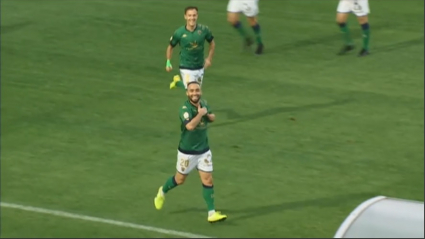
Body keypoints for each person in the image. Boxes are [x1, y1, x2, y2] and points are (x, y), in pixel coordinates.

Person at [154, 81, 227, 223]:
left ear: (201, 92)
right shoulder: (184, 108)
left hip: (204, 150)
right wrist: (200, 114)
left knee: (207, 179)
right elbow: (189, 126)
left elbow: (212, 117)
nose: (195, 93)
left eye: (197, 90)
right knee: (180, 180)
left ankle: (211, 213)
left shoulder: (204, 103)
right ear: (187, 93)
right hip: (187, 152)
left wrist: (208, 115)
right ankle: (162, 191)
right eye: (192, 91)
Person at [166, 6, 215, 90]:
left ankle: (177, 82)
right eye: (189, 15)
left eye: (194, 15)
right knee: (191, 91)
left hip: (200, 66)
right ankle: (178, 82)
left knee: (197, 91)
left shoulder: (204, 30)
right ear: (185, 16)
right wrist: (168, 62)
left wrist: (209, 59)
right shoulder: (179, 32)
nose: (192, 18)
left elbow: (212, 43)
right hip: (186, 66)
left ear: (197, 16)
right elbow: (170, 47)